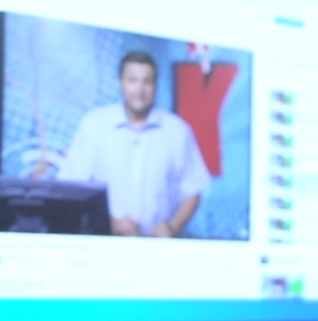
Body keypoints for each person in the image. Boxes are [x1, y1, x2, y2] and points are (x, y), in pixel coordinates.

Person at [61, 49, 211, 237]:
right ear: (120, 83)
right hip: (103, 245)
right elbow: (70, 189)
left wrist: (173, 226)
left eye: (147, 81)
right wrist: (108, 224)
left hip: (158, 252)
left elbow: (193, 189)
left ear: (155, 85)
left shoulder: (177, 131)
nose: (139, 90)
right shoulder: (94, 124)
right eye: (132, 80)